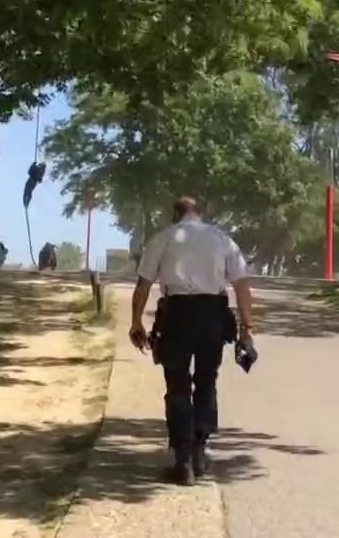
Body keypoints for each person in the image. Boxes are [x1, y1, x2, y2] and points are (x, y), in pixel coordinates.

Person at [130, 196, 255, 486]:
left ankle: (183, 462)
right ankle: (199, 451)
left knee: (177, 386)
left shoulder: (163, 239)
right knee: (206, 381)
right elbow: (242, 287)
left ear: (175, 214)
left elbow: (143, 285)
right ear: (202, 213)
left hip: (177, 316)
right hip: (213, 317)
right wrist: (247, 328)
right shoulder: (222, 240)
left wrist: (136, 322)